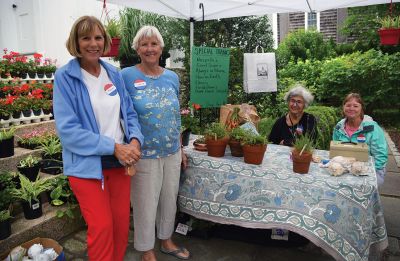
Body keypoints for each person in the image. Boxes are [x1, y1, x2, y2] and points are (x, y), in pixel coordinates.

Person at [53, 16, 143, 261]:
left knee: (121, 226)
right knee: (102, 228)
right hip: (87, 167)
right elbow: (68, 131)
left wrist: (134, 140)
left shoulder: (113, 73)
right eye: (86, 38)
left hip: (120, 164)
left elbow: (130, 113)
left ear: (105, 41)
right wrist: (113, 147)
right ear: (76, 42)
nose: (93, 43)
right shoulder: (65, 77)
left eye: (98, 37)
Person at [121, 25, 190, 261]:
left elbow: (176, 115)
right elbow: (122, 114)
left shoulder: (172, 77)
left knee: (169, 199)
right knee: (145, 204)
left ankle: (166, 240)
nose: (149, 48)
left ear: (161, 48)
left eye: (154, 44)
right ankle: (146, 248)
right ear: (137, 49)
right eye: (144, 44)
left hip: (170, 151)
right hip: (144, 154)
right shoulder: (126, 76)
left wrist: (180, 149)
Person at [332, 93, 388, 186]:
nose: (351, 109)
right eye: (348, 105)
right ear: (343, 107)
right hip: (345, 169)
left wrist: (369, 172)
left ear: (361, 108)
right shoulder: (338, 127)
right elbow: (336, 150)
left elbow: (380, 155)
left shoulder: (372, 127)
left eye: (355, 106)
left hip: (370, 170)